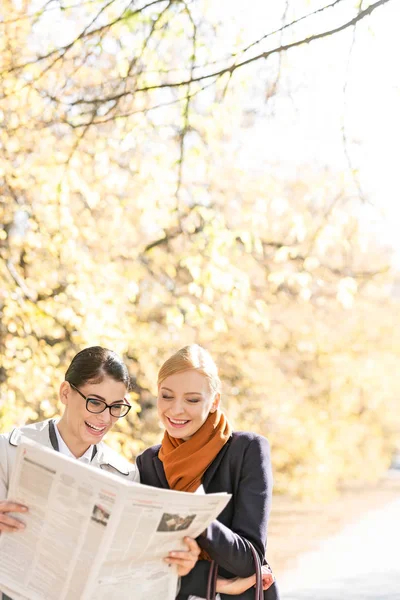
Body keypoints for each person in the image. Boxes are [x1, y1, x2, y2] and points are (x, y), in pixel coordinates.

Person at [0, 346, 200, 600]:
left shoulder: (124, 476)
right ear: (65, 393)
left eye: (116, 407)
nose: (105, 418)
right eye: (95, 402)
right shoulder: (9, 450)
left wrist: (175, 563)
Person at [136, 344, 280, 600]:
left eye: (192, 399)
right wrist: (218, 584)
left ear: (214, 401)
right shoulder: (149, 462)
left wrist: (194, 515)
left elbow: (250, 560)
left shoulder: (246, 450)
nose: (176, 409)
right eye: (166, 396)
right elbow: (148, 563)